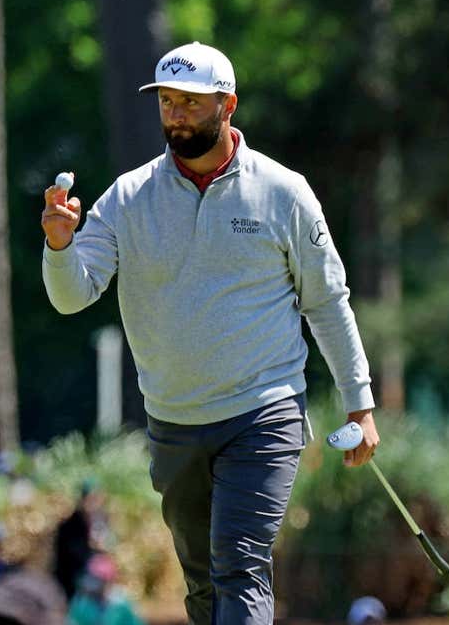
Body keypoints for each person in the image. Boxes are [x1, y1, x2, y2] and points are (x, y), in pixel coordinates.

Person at [39, 41, 381, 624]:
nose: (176, 115)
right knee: (202, 585)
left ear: (228, 106)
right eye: (168, 102)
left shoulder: (284, 192)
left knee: (240, 562)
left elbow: (326, 301)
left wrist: (360, 405)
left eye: (191, 104)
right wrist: (59, 244)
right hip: (173, 419)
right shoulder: (127, 197)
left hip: (263, 409)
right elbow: (72, 297)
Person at [53, 479, 108, 599]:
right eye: (91, 499)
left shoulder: (98, 521)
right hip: (71, 581)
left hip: (90, 578)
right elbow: (71, 557)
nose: (94, 504)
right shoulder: (70, 526)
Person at [66, 554, 144, 625]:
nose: (90, 583)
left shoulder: (122, 604)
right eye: (90, 577)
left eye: (96, 579)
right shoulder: (82, 603)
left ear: (107, 582)